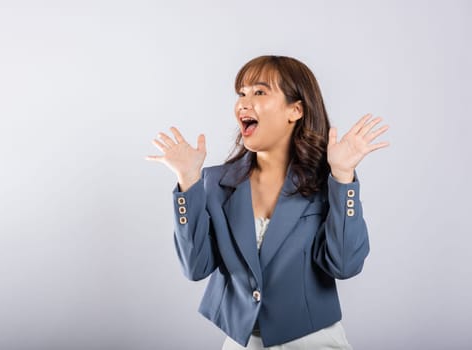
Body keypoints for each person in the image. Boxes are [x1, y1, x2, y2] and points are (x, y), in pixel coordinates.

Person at [146, 55, 389, 349]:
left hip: (312, 341)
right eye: (242, 93)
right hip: (242, 342)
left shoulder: (327, 183)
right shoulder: (214, 183)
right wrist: (187, 181)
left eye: (259, 92)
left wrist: (342, 176)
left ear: (295, 110)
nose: (244, 103)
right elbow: (195, 267)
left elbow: (345, 265)